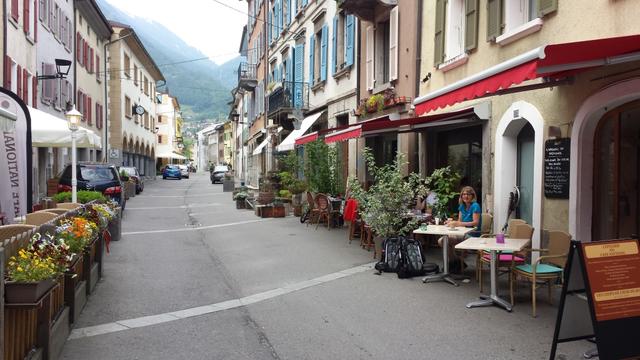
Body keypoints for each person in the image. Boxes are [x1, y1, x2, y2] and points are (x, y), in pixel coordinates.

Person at [438, 186, 482, 265]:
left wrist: (459, 224)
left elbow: (475, 222)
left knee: (444, 241)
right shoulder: (462, 206)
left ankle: (455, 263)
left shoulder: (475, 206)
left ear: (472, 196)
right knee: (442, 240)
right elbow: (459, 221)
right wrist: (451, 222)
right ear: (461, 196)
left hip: (472, 235)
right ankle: (456, 262)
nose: (466, 196)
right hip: (462, 233)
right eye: (463, 194)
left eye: (468, 194)